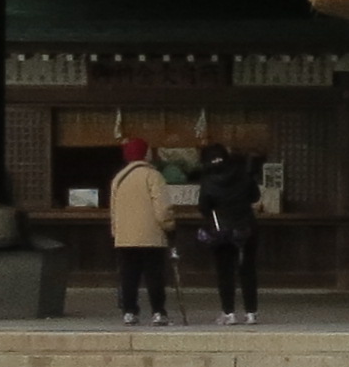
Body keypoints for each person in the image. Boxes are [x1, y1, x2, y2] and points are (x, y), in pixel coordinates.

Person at [105, 135, 175, 326]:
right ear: (146, 154)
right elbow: (162, 207)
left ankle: (129, 311)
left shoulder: (118, 178)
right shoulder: (153, 176)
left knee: (128, 275)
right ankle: (158, 312)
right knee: (154, 275)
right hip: (151, 235)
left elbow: (113, 209)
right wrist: (169, 225)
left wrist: (116, 232)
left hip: (125, 237)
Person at [192, 140, 259, 325]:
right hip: (246, 226)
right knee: (247, 269)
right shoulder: (243, 172)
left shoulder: (208, 179)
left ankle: (229, 312)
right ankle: (251, 312)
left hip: (221, 229)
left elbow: (204, 206)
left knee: (225, 271)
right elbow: (255, 196)